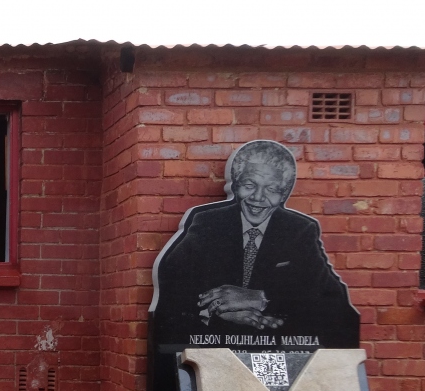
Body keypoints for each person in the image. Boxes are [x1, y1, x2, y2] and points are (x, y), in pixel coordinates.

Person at [152, 140, 357, 345]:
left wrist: (262, 299)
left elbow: (336, 306)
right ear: (236, 185)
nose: (258, 197)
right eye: (249, 185)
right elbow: (172, 291)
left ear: (284, 192)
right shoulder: (207, 223)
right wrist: (215, 312)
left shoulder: (300, 231)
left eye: (271, 189)